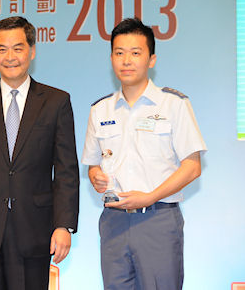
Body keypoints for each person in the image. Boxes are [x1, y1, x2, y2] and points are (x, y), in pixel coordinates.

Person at [0, 16, 79, 290]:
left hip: (35, 228)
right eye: (1, 49)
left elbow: (66, 170)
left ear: (32, 51)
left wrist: (63, 225)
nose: (10, 57)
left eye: (18, 48)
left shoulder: (56, 102)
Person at [82, 18, 207, 289]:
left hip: (158, 219)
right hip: (114, 221)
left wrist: (150, 196)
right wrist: (95, 177)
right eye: (119, 53)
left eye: (135, 53)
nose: (126, 60)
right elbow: (93, 165)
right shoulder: (100, 110)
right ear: (111, 58)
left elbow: (192, 167)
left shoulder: (174, 104)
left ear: (151, 59)